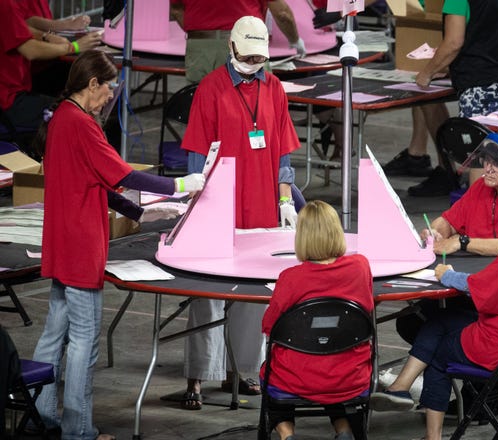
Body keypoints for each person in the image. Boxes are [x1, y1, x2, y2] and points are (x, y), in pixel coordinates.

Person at [30, 50, 205, 440]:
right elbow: (124, 174)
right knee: (84, 344)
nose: (111, 94)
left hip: (60, 243)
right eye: (108, 86)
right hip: (80, 249)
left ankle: (40, 416)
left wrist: (139, 215)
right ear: (92, 83)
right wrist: (180, 185)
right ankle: (79, 431)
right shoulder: (82, 125)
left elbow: (95, 182)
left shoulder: (61, 118)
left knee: (53, 336)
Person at [371, 179, 498, 440]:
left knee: (440, 351)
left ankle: (432, 436)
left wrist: (447, 274)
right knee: (443, 319)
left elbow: (480, 288)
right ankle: (400, 386)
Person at [178, 15, 301, 410]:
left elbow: (283, 149)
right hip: (219, 206)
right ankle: (198, 376)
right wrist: (196, 209)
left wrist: (285, 198)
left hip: (263, 204)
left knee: (252, 294)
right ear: (230, 48)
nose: (253, 63)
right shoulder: (210, 90)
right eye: (247, 56)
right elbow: (196, 158)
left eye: (260, 58)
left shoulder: (275, 86)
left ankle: (246, 369)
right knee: (207, 295)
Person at [393, 0, 498, 197]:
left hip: (481, 81)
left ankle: (478, 217)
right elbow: (490, 35)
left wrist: (427, 73)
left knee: (480, 157)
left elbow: (453, 43)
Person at [261, 200, 374, 440]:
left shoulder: (291, 278)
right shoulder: (361, 266)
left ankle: (285, 433)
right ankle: (343, 428)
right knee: (331, 360)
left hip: (298, 378)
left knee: (280, 370)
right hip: (349, 377)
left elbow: (269, 327)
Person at [0, 0, 102, 136]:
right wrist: (73, 47)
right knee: (78, 111)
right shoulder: (6, 4)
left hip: (14, 92)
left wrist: (46, 36)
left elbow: (19, 26)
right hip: (9, 102)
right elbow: (30, 50)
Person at [424, 130, 498, 257]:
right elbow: (450, 221)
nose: (488, 169)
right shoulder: (481, 185)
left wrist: (462, 242)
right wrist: (435, 233)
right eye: (486, 161)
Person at [170, 0, 305, 85]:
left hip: (199, 47)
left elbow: (176, 10)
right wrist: (295, 40)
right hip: (245, 45)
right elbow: (282, 14)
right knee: (252, 107)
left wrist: (201, 34)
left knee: (203, 107)